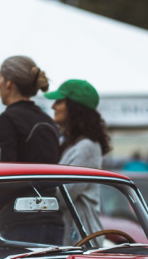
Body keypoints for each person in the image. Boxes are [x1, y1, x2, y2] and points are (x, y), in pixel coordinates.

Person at [46, 78, 111, 232]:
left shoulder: (87, 147)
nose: (53, 106)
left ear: (75, 108)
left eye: (59, 101)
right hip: (72, 236)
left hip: (82, 239)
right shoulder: (70, 143)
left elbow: (62, 196)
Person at [0, 56, 58, 163]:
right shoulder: (48, 120)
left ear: (9, 83)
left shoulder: (8, 119)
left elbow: (5, 170)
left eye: (0, 79)